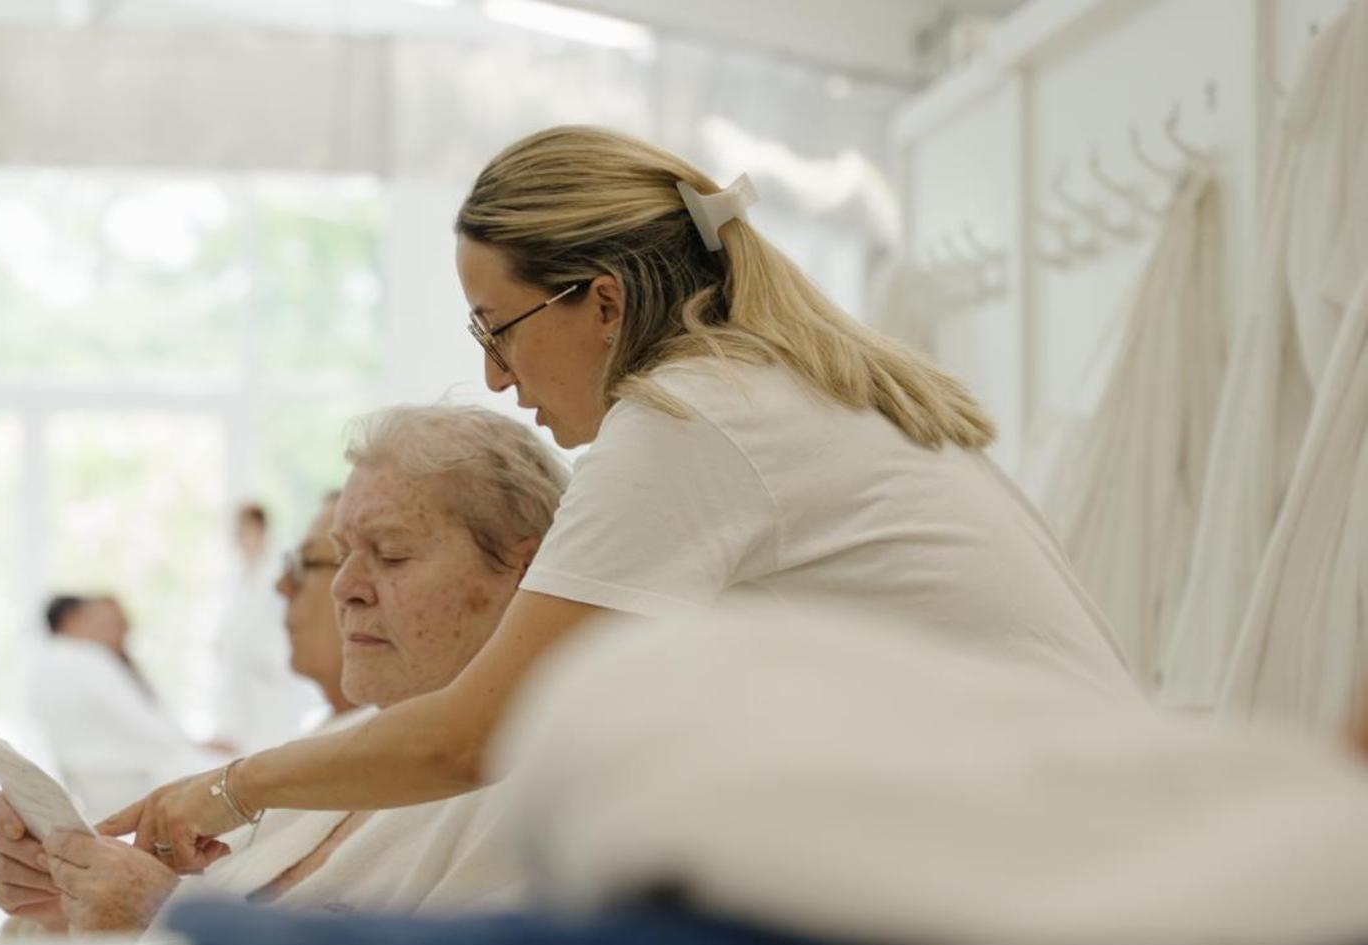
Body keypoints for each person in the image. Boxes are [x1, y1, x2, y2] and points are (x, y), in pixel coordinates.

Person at [103, 124, 1139, 869]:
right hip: (1078, 820)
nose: (498, 377)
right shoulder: (783, 389)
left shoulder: (692, 421)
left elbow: (468, 737)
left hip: (1047, 855)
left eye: (493, 328)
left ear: (600, 301)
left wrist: (235, 788)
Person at [0, 406, 565, 931]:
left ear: (526, 570)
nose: (345, 588)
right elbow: (204, 897)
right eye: (339, 557)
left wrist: (158, 914)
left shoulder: (544, 792)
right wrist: (69, 892)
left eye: (390, 554)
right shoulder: (337, 744)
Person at [30, 593, 223, 813]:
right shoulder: (91, 659)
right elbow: (144, 724)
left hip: (90, 781)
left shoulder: (46, 662)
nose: (124, 631)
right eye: (111, 623)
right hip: (130, 777)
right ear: (72, 620)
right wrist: (197, 744)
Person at [212, 501, 322, 753]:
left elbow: (283, 622)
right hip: (243, 678)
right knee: (242, 745)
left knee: (271, 744)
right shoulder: (238, 575)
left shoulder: (277, 572)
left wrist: (264, 658)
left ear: (259, 530)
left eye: (244, 532)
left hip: (271, 676)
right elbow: (234, 624)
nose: (239, 540)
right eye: (236, 533)